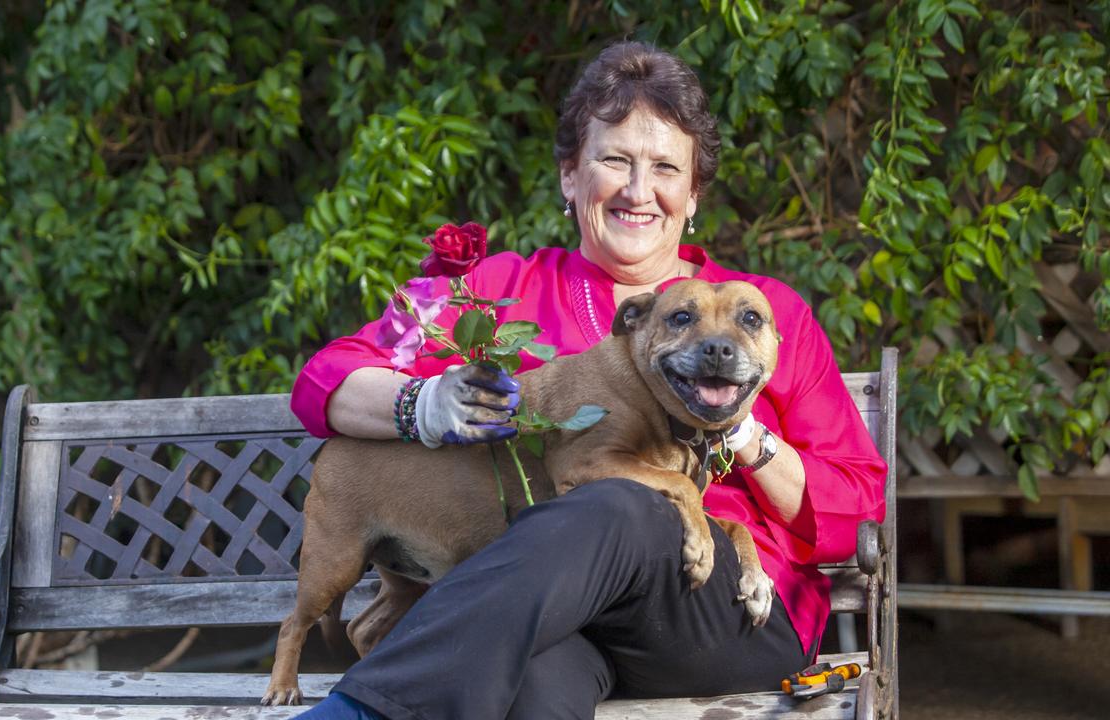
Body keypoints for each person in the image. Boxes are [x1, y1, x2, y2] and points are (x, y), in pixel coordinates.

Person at [288, 40, 886, 720]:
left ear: (692, 195)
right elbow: (323, 380)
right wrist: (420, 403)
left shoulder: (758, 317)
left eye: (665, 167)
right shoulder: (492, 290)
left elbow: (855, 511)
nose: (638, 190)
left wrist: (743, 434)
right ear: (570, 176)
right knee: (531, 683)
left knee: (623, 496)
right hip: (554, 620)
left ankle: (352, 716)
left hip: (719, 614)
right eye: (614, 160)